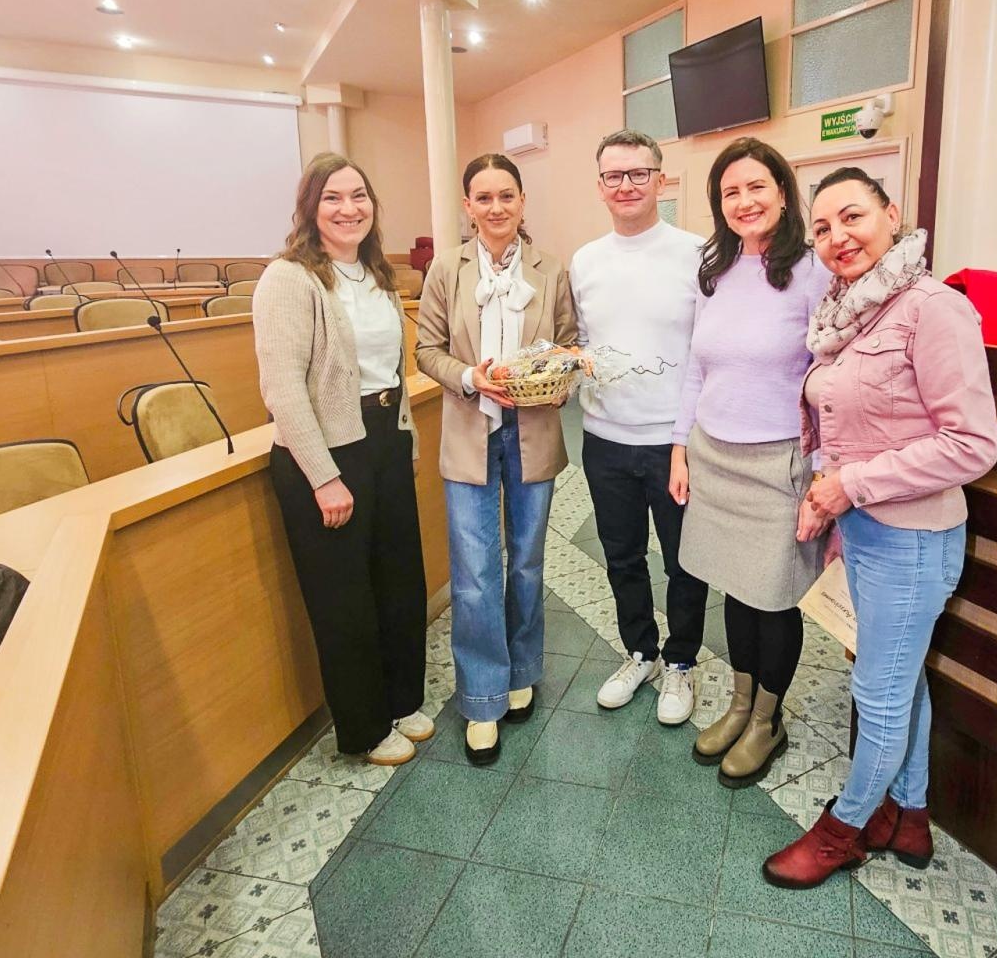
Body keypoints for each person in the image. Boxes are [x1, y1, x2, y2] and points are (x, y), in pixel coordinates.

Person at [762, 167, 997, 889]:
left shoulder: (933, 309)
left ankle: (845, 830)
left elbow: (972, 445)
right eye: (823, 228)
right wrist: (828, 493)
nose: (838, 238)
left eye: (853, 217)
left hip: (914, 538)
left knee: (880, 692)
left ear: (892, 216)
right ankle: (913, 814)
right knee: (900, 679)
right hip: (866, 530)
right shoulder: (851, 310)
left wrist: (846, 486)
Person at [252, 152, 431, 767]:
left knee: (399, 580)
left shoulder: (378, 274)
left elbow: (392, 373)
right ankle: (364, 727)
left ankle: (403, 698)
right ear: (310, 208)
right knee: (345, 600)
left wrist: (401, 441)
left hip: (383, 438)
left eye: (359, 195)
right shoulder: (290, 278)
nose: (348, 208)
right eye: (332, 198)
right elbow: (282, 389)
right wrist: (324, 476)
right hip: (325, 453)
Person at [672, 136, 831, 786]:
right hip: (715, 455)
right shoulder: (717, 265)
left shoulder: (814, 271)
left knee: (773, 598)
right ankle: (740, 704)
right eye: (730, 191)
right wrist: (680, 446)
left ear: (783, 190)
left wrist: (823, 468)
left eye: (755, 186)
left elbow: (831, 375)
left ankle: (769, 719)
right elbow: (694, 366)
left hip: (779, 464)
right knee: (735, 589)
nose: (744, 201)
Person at [415, 153, 576, 765]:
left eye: (506, 195)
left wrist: (558, 378)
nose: (496, 207)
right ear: (468, 207)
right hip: (468, 430)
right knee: (477, 569)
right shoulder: (445, 271)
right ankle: (482, 697)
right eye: (483, 198)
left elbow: (568, 343)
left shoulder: (550, 268)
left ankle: (521, 671)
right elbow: (426, 349)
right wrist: (468, 377)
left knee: (528, 562)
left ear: (522, 201)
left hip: (532, 428)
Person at [571, 129, 706, 724]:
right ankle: (640, 651)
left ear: (660, 178)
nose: (626, 185)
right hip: (603, 438)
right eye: (613, 176)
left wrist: (690, 437)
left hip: (675, 442)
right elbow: (579, 342)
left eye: (637, 174)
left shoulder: (696, 253)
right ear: (599, 186)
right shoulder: (585, 260)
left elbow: (709, 350)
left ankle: (680, 662)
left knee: (685, 560)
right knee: (621, 555)